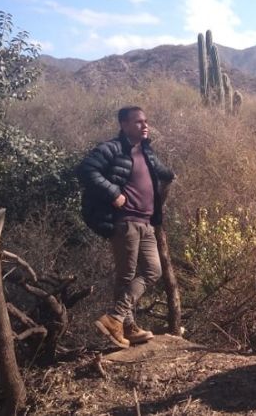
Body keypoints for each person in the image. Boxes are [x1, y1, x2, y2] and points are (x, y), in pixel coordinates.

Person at [77, 106, 175, 349]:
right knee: (126, 276)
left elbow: (161, 171)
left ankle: (117, 320)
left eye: (146, 121)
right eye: (138, 122)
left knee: (153, 271)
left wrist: (171, 174)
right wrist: (113, 192)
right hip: (124, 221)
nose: (144, 126)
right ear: (123, 124)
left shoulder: (147, 152)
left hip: (146, 222)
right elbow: (86, 170)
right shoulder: (111, 148)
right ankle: (124, 325)